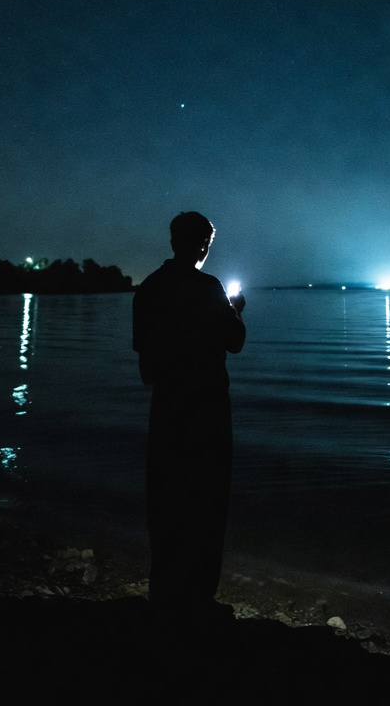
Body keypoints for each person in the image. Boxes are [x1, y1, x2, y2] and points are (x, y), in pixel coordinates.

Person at [132, 211, 246, 624]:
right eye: (207, 242)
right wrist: (235, 310)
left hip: (167, 408)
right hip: (208, 411)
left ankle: (164, 592)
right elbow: (235, 342)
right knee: (207, 500)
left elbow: (145, 358)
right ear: (203, 244)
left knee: (166, 500)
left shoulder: (149, 288)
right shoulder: (209, 288)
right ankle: (198, 598)